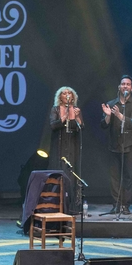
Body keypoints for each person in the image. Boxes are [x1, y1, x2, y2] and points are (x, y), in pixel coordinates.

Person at [101, 75, 132, 215]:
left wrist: (120, 116)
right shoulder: (112, 104)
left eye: (128, 84)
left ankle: (125, 205)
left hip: (129, 145)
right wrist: (108, 116)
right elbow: (103, 125)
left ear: (131, 88)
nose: (125, 86)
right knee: (114, 177)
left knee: (127, 177)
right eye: (123, 84)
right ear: (119, 87)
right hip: (114, 145)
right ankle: (116, 204)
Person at [49, 86, 83, 214]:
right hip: (59, 145)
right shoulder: (56, 109)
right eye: (64, 93)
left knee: (71, 173)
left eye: (69, 93)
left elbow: (81, 127)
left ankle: (72, 205)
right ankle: (58, 204)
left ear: (73, 96)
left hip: (72, 145)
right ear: (60, 97)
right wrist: (65, 115)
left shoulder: (76, 109)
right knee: (60, 172)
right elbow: (53, 125)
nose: (67, 95)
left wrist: (77, 117)